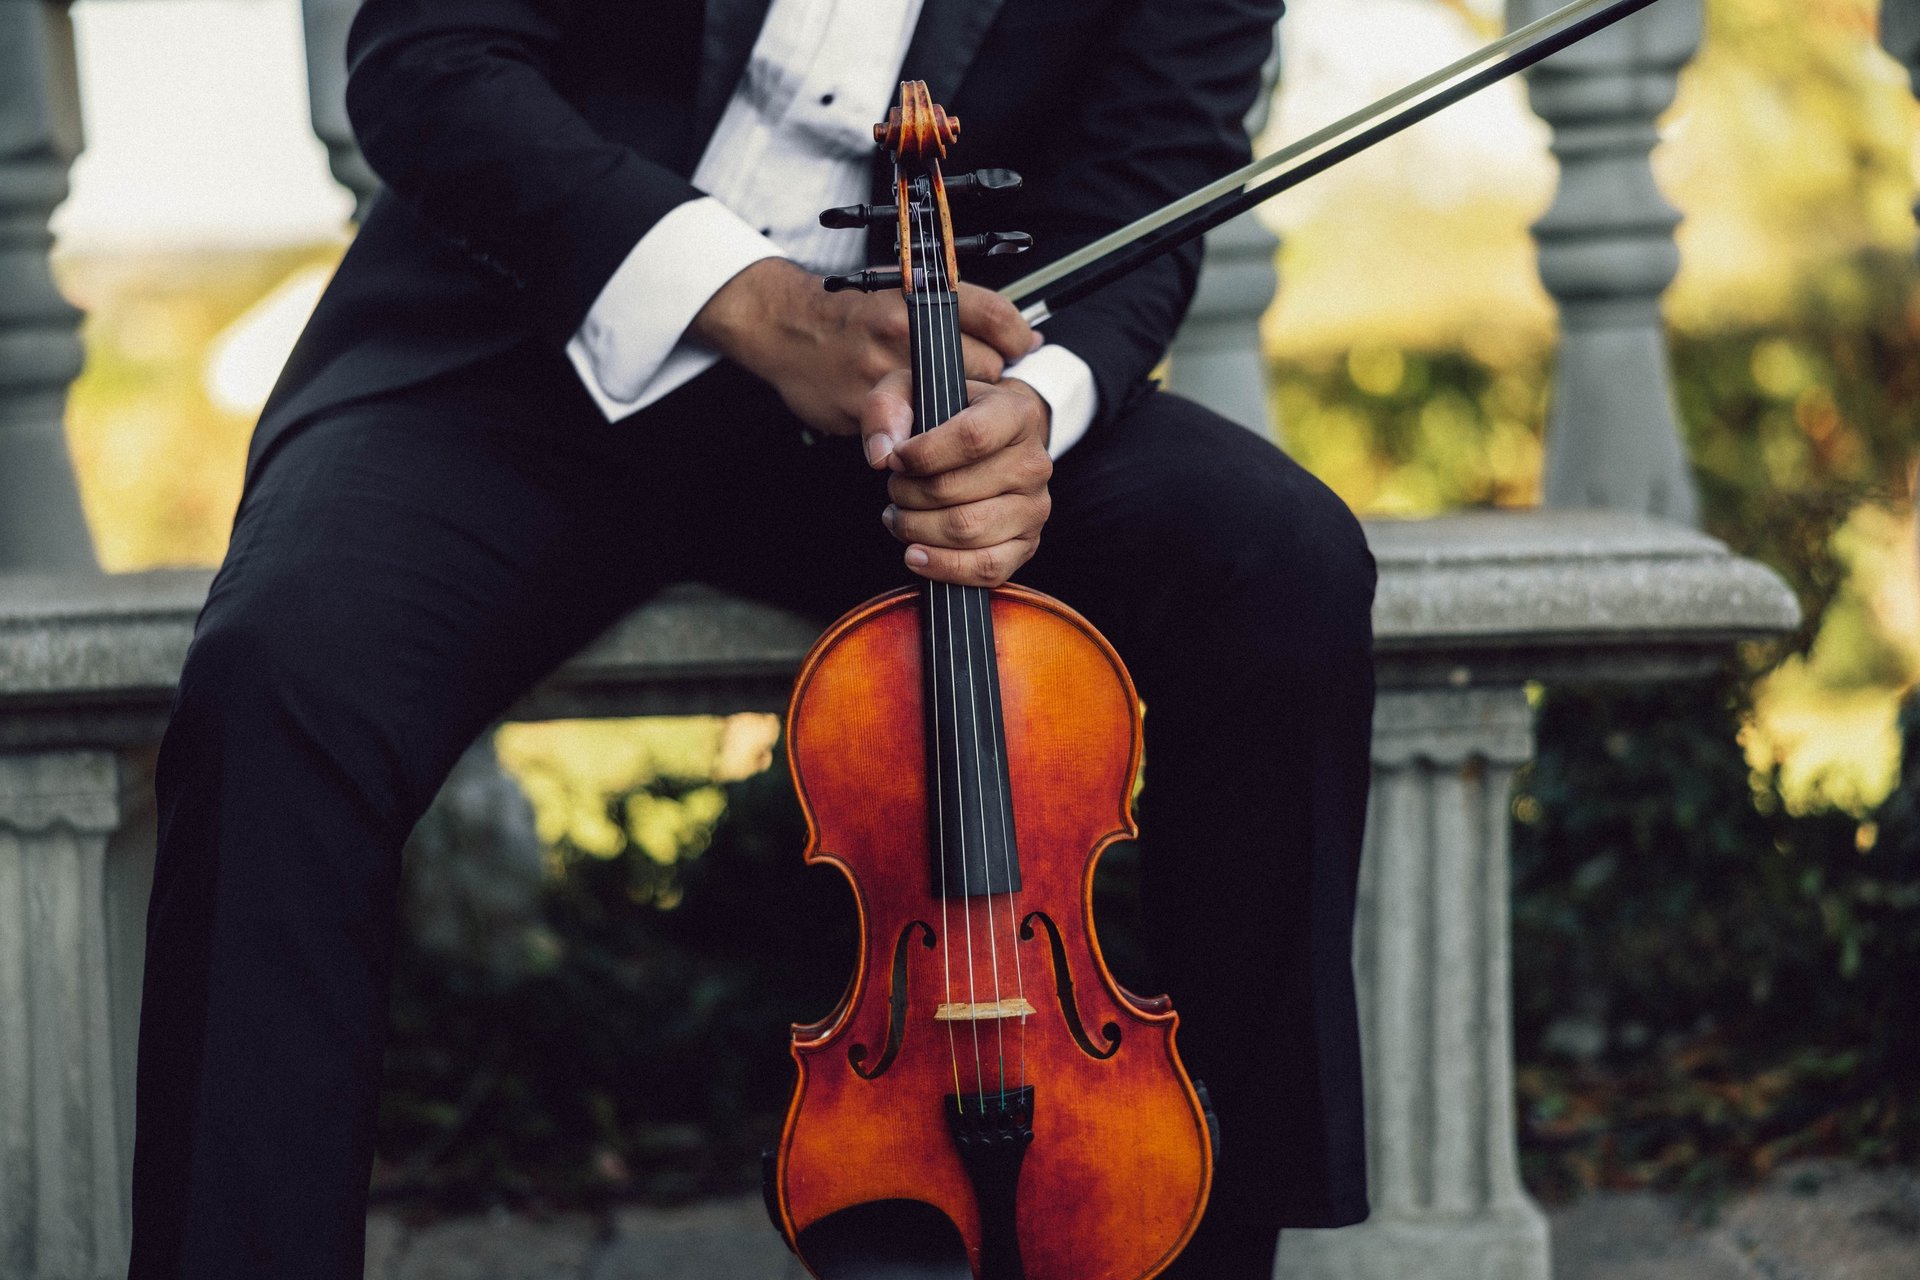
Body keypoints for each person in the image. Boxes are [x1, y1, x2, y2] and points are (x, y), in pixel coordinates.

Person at [126, 1, 1376, 1277]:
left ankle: (1214, 1238)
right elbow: (433, 59)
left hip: (908, 384)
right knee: (280, 677)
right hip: (521, 344)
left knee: (1278, 563)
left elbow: (1155, 172)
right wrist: (757, 304)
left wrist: (1029, 416)